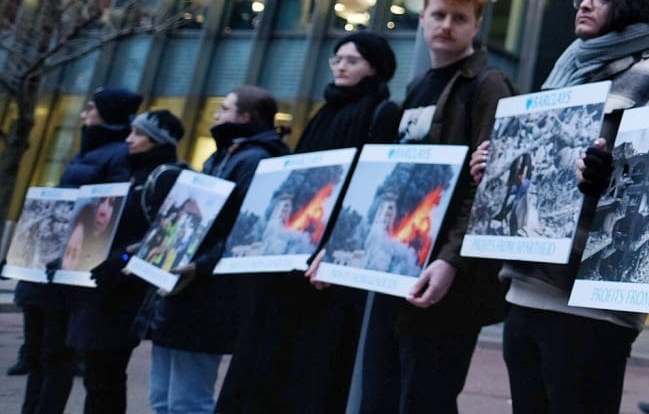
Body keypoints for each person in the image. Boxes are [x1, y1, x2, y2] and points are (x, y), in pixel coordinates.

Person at [470, 0, 649, 414]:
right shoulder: (567, 72)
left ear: (630, 5)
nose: (586, 3)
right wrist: (494, 171)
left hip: (590, 304)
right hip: (526, 288)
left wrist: (607, 176)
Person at [356, 0, 514, 414]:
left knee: (424, 400)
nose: (447, 25)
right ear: (423, 17)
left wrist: (450, 259)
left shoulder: (486, 86)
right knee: (379, 398)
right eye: (439, 14)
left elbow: (487, 187)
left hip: (448, 280)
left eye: (460, 18)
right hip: (394, 265)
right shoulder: (418, 87)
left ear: (476, 25)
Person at [216, 32, 401, 413]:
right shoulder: (325, 111)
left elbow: (372, 187)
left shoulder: (382, 112)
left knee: (315, 365)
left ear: (375, 67)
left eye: (352, 60)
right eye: (337, 59)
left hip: (330, 264)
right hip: (292, 256)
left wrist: (334, 248)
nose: (341, 66)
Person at [138, 86, 289, 414]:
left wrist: (202, 265)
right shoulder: (225, 155)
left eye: (224, 109)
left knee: (187, 402)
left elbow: (246, 229)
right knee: (164, 398)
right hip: (187, 287)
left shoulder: (254, 159)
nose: (217, 115)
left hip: (207, 292)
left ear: (244, 116)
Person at [21, 86, 141, 414]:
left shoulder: (116, 154)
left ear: (107, 113)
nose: (84, 113)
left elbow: (110, 211)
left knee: (57, 356)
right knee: (41, 354)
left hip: (78, 266)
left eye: (91, 108)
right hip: (56, 262)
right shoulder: (87, 151)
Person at [67, 109, 183, 414]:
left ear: (158, 140)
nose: (129, 139)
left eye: (139, 134)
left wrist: (123, 259)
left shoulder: (166, 175)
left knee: (106, 374)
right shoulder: (127, 172)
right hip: (102, 286)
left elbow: (167, 235)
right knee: (96, 374)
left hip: (126, 291)